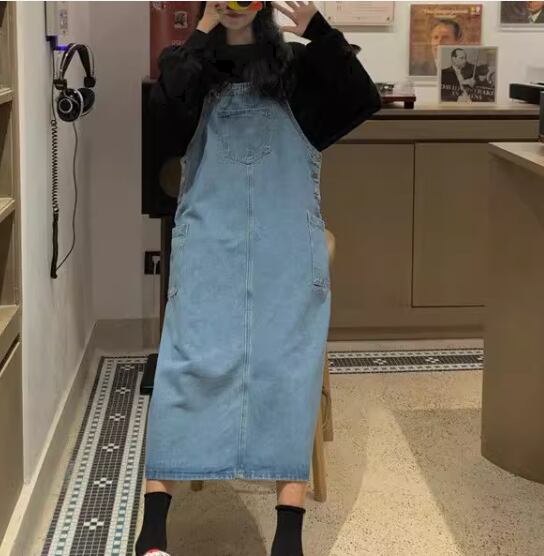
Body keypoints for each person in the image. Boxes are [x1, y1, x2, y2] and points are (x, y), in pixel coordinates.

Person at [135, 2, 381, 556]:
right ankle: (153, 532)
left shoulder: (294, 68)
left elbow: (363, 98)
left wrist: (319, 30)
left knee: (287, 374)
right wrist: (201, 30)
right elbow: (164, 121)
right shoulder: (191, 68)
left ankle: (288, 533)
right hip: (209, 248)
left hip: (285, 250)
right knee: (183, 369)